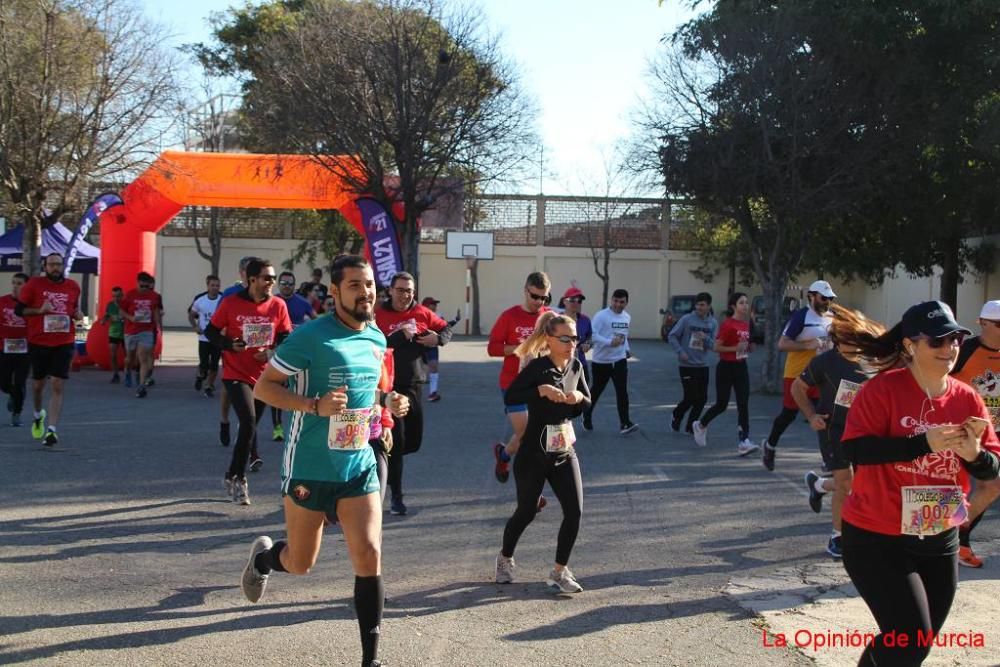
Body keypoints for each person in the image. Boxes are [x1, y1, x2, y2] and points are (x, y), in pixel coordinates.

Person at [242, 255, 408, 667]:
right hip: (310, 467)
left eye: (369, 284)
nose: (365, 292)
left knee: (369, 554)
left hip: (357, 464)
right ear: (334, 292)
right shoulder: (310, 337)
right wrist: (313, 406)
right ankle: (264, 559)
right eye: (354, 285)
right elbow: (264, 388)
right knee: (300, 563)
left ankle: (371, 660)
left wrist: (387, 402)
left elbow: (366, 390)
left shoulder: (375, 337)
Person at [837, 300, 1000, 667]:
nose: (950, 348)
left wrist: (974, 455)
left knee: (914, 645)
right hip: (876, 537)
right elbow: (857, 451)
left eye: (956, 339)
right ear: (910, 345)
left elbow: (993, 472)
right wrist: (922, 443)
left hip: (939, 536)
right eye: (938, 341)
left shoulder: (967, 399)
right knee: (908, 639)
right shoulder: (881, 391)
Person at [495, 312, 591, 593]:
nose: (571, 343)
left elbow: (588, 401)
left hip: (563, 451)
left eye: (574, 337)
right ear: (549, 339)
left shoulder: (575, 366)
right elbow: (511, 395)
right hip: (533, 454)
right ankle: (504, 558)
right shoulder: (538, 368)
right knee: (526, 511)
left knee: (575, 511)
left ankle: (560, 571)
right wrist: (540, 391)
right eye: (565, 338)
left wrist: (578, 399)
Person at [792, 305, 883, 558]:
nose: (856, 344)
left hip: (865, 431)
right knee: (846, 483)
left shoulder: (873, 361)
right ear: (838, 338)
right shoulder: (824, 362)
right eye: (850, 338)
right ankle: (838, 536)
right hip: (834, 429)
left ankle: (820, 485)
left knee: (861, 483)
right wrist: (811, 416)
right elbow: (797, 389)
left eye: (860, 337)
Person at [205, 259, 292, 505]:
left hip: (265, 375)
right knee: (249, 420)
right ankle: (241, 480)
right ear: (251, 280)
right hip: (236, 373)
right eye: (267, 278)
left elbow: (285, 337)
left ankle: (230, 472)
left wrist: (272, 351)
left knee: (249, 428)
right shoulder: (231, 303)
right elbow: (211, 331)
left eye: (273, 278)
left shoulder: (278, 305)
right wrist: (228, 344)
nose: (271, 283)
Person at [374, 271, 452, 516]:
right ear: (390, 291)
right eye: (400, 290)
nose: (405, 295)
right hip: (388, 387)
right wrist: (397, 338)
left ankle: (382, 456)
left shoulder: (421, 312)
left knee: (413, 442)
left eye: (409, 290)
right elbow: (371, 345)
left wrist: (438, 339)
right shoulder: (378, 313)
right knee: (396, 443)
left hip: (414, 384)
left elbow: (446, 329)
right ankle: (396, 496)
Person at [760, 280, 836, 471]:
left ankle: (828, 459)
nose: (827, 301)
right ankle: (770, 445)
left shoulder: (833, 317)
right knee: (788, 415)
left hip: (821, 375)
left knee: (824, 415)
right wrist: (807, 345)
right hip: (797, 376)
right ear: (812, 296)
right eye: (823, 297)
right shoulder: (801, 317)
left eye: (830, 298)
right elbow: (782, 344)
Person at [948, 299, 1000, 567]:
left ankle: (958, 536)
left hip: (992, 435)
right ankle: (948, 540)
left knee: (992, 486)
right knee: (951, 487)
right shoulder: (965, 350)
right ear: (983, 323)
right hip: (960, 431)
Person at [488, 271, 552, 483]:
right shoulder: (509, 316)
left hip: (541, 385)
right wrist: (521, 348)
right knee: (528, 435)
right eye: (534, 296)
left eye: (543, 298)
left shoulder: (549, 318)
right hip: (513, 385)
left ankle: (504, 455)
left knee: (535, 436)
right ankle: (531, 491)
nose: (538, 302)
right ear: (525, 291)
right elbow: (492, 348)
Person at [16, 253, 83, 447]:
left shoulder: (73, 286)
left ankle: (51, 431)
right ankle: (38, 415)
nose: (55, 267)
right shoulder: (34, 285)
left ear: (63, 266)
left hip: (63, 342)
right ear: (45, 266)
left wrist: (78, 315)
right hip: (39, 342)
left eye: (58, 264)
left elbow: (74, 311)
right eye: (51, 264)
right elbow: (19, 311)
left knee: (57, 384)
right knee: (37, 386)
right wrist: (39, 311)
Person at [692, 292, 757, 456]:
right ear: (733, 306)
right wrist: (734, 349)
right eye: (741, 303)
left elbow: (747, 345)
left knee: (743, 403)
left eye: (746, 302)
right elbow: (716, 347)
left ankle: (744, 441)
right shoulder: (728, 324)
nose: (745, 305)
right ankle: (701, 424)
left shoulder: (747, 324)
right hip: (726, 367)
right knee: (722, 404)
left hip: (741, 366)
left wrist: (749, 346)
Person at [583, 288, 638, 435]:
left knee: (622, 392)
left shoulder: (626, 317)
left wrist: (626, 348)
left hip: (619, 360)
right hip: (602, 361)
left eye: (622, 302)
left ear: (626, 303)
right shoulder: (602, 316)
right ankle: (586, 414)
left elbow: (623, 336)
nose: (618, 304)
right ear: (611, 300)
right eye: (615, 301)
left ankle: (625, 423)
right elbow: (593, 335)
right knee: (596, 390)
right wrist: (609, 342)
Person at [273, 271, 318, 441]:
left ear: (294, 285)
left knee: (299, 390)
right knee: (278, 388)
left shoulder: (302, 303)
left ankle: (298, 425)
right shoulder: (273, 302)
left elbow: (316, 322)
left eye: (290, 283)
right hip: (277, 351)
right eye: (283, 283)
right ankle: (277, 426)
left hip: (299, 353)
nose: (287, 286)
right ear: (278, 284)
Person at [668, 292, 717, 434]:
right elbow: (672, 336)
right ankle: (677, 415)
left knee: (702, 399)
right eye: (697, 305)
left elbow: (714, 345)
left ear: (708, 306)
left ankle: (691, 426)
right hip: (687, 364)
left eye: (702, 305)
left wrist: (706, 338)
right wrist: (680, 352)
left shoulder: (712, 323)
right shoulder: (687, 319)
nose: (699, 308)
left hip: (703, 365)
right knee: (690, 397)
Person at [120, 272, 163, 398]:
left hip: (146, 330)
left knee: (143, 357)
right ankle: (127, 370)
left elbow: (155, 311)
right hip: (131, 330)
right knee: (130, 358)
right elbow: (121, 310)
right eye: (141, 286)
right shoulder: (130, 295)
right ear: (137, 282)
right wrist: (131, 317)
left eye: (147, 286)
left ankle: (141, 386)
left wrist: (158, 325)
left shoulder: (154, 296)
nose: (144, 289)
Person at [0, 273, 30, 427]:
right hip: (4, 349)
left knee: (20, 382)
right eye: (14, 283)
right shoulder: (2, 302)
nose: (15, 286)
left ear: (26, 286)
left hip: (24, 351)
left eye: (19, 283)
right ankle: (12, 394)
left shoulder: (30, 305)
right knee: (3, 383)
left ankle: (17, 413)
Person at [419, 296, 461, 402]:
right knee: (419, 371)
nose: (435, 306)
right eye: (433, 304)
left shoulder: (438, 316)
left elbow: (445, 327)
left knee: (434, 367)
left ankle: (433, 393)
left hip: (432, 346)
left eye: (436, 304)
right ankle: (413, 394)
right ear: (426, 305)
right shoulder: (418, 315)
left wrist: (455, 320)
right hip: (419, 346)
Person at [188, 275, 223, 397]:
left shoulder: (223, 300)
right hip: (204, 338)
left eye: (217, 285)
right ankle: (200, 375)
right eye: (212, 285)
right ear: (207, 286)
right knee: (204, 364)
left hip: (217, 338)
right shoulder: (200, 300)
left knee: (214, 364)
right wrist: (195, 327)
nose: (215, 288)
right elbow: (191, 315)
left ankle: (209, 386)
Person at [559, 287, 592, 390]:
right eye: (572, 300)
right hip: (560, 367)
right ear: (564, 301)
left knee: (581, 399)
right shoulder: (556, 320)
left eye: (579, 301)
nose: (576, 303)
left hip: (581, 365)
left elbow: (589, 337)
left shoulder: (585, 320)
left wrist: (587, 343)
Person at [100, 286, 126, 384]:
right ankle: (116, 374)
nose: (116, 298)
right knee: (113, 354)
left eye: (118, 296)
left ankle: (128, 373)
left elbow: (131, 316)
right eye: (114, 296)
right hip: (114, 332)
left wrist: (123, 318)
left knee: (128, 355)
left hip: (126, 332)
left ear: (122, 296)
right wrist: (104, 320)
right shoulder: (110, 305)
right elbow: (107, 315)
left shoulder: (126, 304)